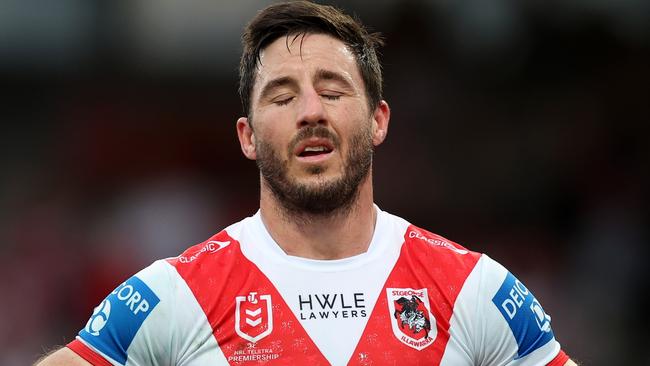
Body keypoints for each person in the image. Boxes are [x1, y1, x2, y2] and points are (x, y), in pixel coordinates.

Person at [37, 1, 577, 365]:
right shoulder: (175, 297)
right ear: (247, 136)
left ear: (378, 120)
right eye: (283, 95)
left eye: (334, 90)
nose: (311, 112)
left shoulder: (474, 291)